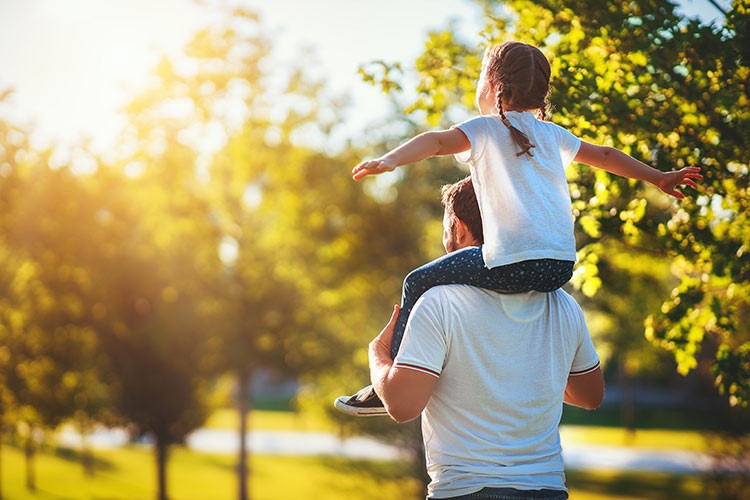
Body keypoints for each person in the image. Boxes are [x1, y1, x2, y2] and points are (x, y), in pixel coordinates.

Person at [334, 41, 700, 416]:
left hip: (512, 263)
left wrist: (389, 161)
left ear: (492, 86)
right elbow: (606, 155)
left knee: (416, 281)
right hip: (559, 268)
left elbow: (437, 141)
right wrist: (659, 177)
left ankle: (392, 376)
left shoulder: (486, 130)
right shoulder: (553, 134)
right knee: (478, 272)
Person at [369, 176, 604, 499]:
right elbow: (590, 395)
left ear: (458, 226)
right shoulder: (563, 304)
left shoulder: (439, 301)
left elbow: (402, 405)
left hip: (468, 490)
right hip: (547, 489)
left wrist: (379, 355)